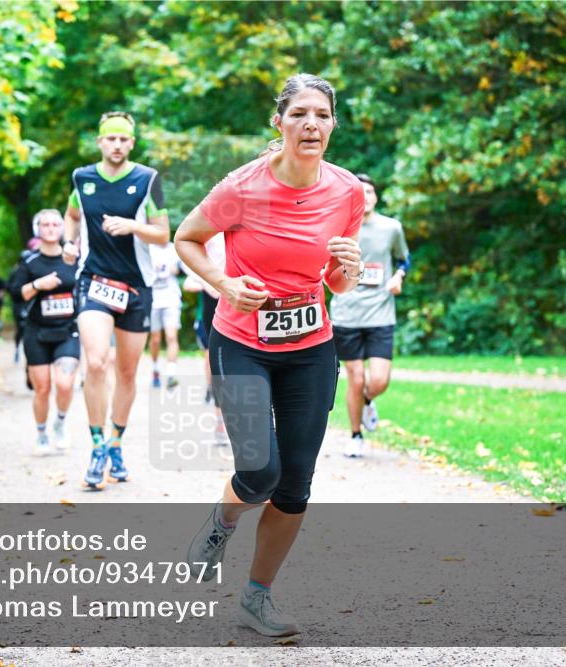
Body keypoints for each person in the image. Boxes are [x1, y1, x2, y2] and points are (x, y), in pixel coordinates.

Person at [174, 73, 364, 637]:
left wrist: (346, 271)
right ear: (277, 123)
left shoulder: (347, 191)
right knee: (259, 471)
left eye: (323, 115)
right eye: (300, 113)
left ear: (332, 124)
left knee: (295, 482)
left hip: (311, 345)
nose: (312, 124)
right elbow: (186, 237)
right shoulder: (242, 186)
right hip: (241, 341)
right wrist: (224, 284)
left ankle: (257, 598)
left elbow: (337, 282)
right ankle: (222, 521)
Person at [62, 111, 169, 488]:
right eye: (111, 139)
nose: (118, 145)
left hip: (136, 287)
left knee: (126, 372)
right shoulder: (82, 178)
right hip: (94, 281)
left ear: (132, 143)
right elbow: (72, 215)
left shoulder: (148, 179)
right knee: (95, 362)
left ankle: (116, 442)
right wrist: (67, 241)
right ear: (100, 141)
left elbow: (163, 234)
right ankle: (96, 448)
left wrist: (134, 226)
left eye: (124, 139)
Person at [330, 174, 410, 458]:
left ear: (376, 197)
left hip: (380, 314)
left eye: (370, 191)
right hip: (346, 315)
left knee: (378, 380)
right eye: (359, 192)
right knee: (355, 377)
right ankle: (355, 435)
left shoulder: (391, 228)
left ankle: (365, 402)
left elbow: (404, 259)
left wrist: (399, 276)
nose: (366, 196)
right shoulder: (338, 229)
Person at [8, 210, 80, 455]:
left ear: (62, 228)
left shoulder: (74, 260)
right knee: (42, 388)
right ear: (37, 228)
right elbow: (16, 294)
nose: (50, 228)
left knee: (65, 384)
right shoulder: (29, 262)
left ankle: (59, 423)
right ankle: (41, 434)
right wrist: (39, 284)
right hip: (37, 332)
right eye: (45, 224)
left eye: (55, 224)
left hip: (68, 330)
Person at [181, 233, 229, 444]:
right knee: (215, 362)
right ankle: (220, 426)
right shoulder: (210, 230)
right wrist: (208, 283)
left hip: (240, 296)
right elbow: (188, 265)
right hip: (213, 304)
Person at [148, 241, 183, 390]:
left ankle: (170, 375)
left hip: (171, 298)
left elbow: (185, 267)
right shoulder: (148, 247)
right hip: (153, 299)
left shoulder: (174, 248)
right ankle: (155, 369)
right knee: (155, 339)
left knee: (171, 336)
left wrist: (177, 269)